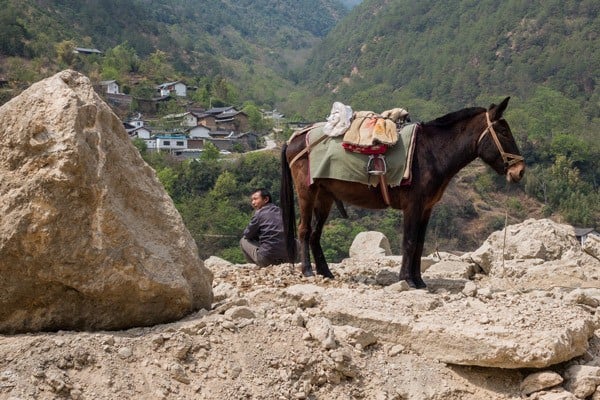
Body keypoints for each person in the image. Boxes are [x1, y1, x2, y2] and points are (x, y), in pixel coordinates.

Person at [240, 188, 290, 267]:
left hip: (267, 259)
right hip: (288, 258)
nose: (253, 202)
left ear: (266, 199)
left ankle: (255, 266)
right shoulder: (282, 212)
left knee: (243, 240)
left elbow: (247, 234)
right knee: (295, 241)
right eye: (252, 200)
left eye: (255, 199)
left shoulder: (259, 213)